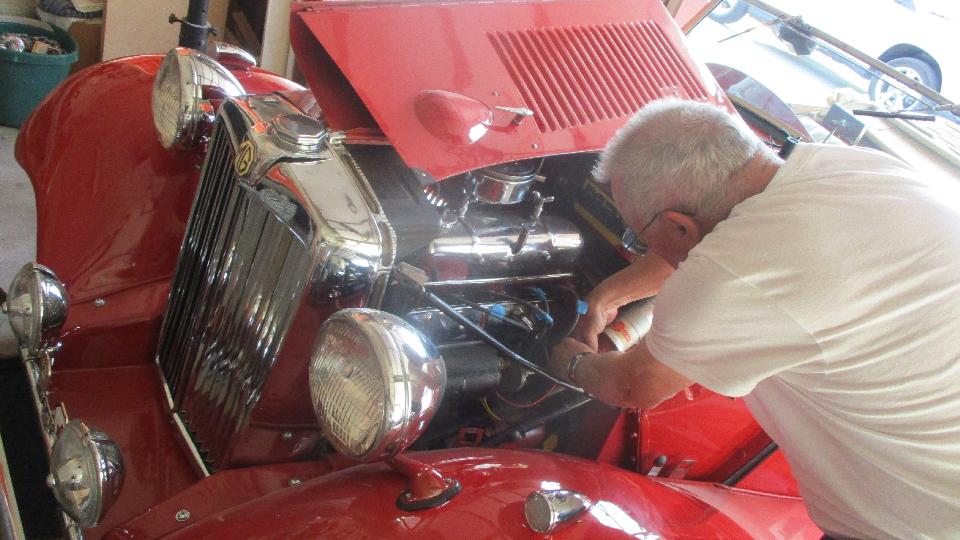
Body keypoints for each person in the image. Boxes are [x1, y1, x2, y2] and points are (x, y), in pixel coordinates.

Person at [550, 98, 960, 539]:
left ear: (679, 226)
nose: (643, 246)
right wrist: (607, 296)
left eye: (640, 237)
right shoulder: (850, 167)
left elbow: (633, 386)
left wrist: (570, 361)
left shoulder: (734, 281)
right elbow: (722, 245)